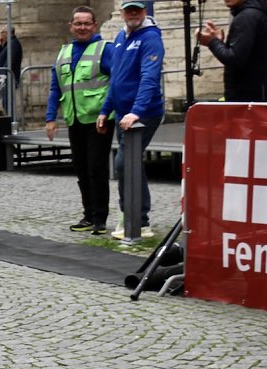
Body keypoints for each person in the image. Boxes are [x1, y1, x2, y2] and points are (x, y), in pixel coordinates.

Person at [97, 0, 165, 240]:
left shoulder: (150, 38)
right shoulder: (120, 37)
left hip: (143, 113)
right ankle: (136, 217)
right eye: (129, 10)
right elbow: (116, 78)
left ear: (145, 12)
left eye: (137, 9)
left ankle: (135, 218)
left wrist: (136, 111)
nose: (133, 13)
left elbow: (149, 77)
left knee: (124, 162)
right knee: (131, 163)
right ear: (122, 12)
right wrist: (106, 109)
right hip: (123, 113)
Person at [46, 6, 115, 236]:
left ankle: (100, 218)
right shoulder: (64, 52)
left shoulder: (105, 49)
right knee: (82, 170)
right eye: (78, 23)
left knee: (97, 169)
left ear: (94, 26)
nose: (82, 27)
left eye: (86, 23)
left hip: (98, 120)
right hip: (75, 120)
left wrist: (107, 111)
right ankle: (88, 215)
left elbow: (116, 83)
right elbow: (56, 87)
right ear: (71, 26)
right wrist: (50, 118)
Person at [196, 0, 267, 102]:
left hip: (247, 99)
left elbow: (234, 59)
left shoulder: (246, 17)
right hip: (255, 94)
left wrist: (212, 42)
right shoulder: (254, 13)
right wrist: (218, 42)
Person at [0, 27, 23, 115]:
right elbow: (0, 56)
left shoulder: (14, 44)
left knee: (8, 102)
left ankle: (12, 121)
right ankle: (11, 120)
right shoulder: (8, 44)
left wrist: (4, 73)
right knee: (5, 102)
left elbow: (11, 60)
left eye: (2, 32)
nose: (1, 34)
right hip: (5, 77)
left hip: (9, 77)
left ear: (7, 33)